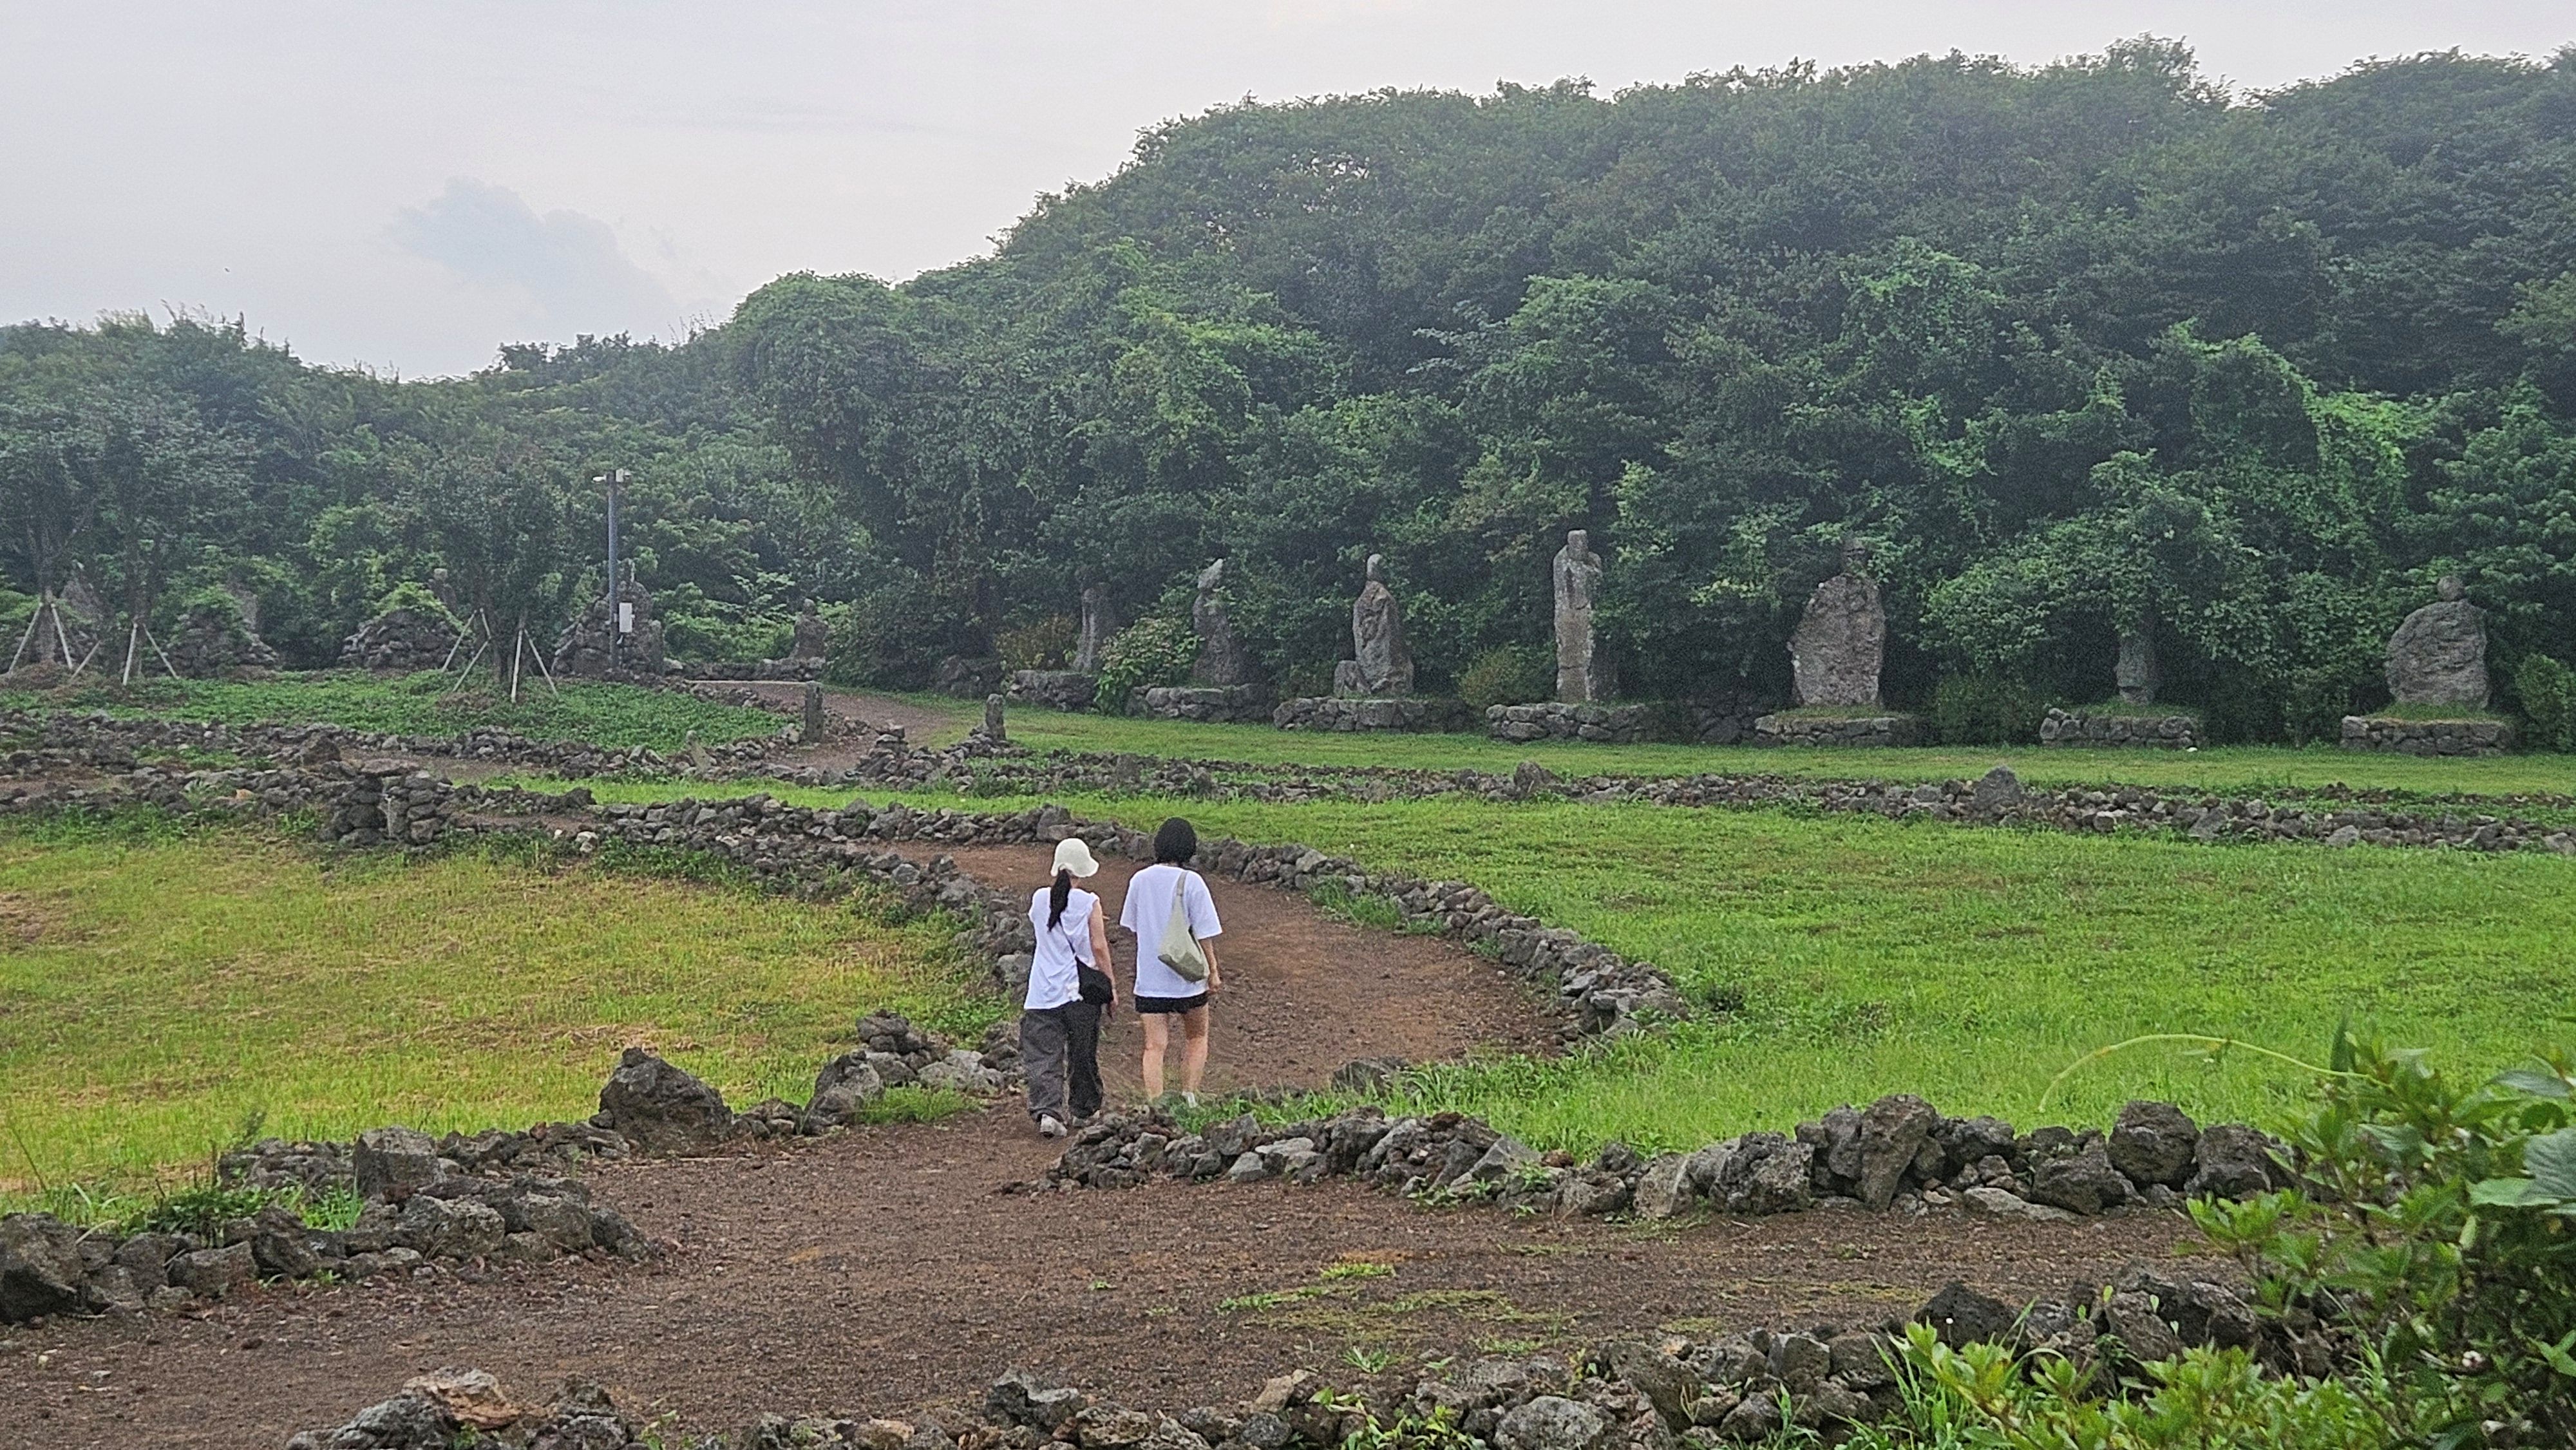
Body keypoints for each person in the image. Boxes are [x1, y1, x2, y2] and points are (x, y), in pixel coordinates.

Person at [1119, 816, 1223, 1104]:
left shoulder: (1139, 880)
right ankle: (1189, 1097)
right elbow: (1205, 933)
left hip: (1150, 980)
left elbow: (1132, 925)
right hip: (1187, 979)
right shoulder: (1193, 882)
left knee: (1154, 1046)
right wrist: (1212, 971)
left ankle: (1156, 1103)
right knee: (1197, 1038)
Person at [1020, 836, 1113, 1138]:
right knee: (1083, 1053)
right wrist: (1110, 986)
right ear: (1083, 871)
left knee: (1043, 1056)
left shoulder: (1038, 899)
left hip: (1042, 993)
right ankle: (1084, 1110)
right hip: (1079, 993)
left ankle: (1048, 1112)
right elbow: (1099, 948)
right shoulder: (1090, 903)